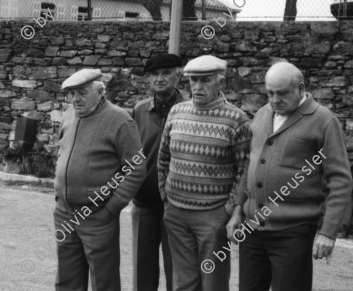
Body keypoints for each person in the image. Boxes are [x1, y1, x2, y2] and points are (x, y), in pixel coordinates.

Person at [232, 61, 353, 291]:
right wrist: (238, 208)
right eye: (270, 93)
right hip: (252, 229)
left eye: (282, 93)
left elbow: (341, 180)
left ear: (301, 87)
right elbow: (250, 163)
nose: (274, 100)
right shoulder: (261, 114)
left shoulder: (324, 120)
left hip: (293, 232)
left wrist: (328, 232)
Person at [158, 55, 251, 291]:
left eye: (205, 80)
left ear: (220, 82)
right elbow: (163, 158)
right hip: (176, 213)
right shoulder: (176, 112)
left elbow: (243, 171)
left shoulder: (237, 119)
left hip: (213, 215)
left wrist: (229, 210)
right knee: (183, 282)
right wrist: (166, 198)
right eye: (193, 80)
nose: (198, 87)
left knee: (213, 282)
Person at [54, 68, 146, 291]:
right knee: (66, 280)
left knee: (104, 282)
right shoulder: (68, 114)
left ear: (100, 91)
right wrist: (59, 195)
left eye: (82, 93)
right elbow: (61, 150)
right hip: (65, 213)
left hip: (97, 215)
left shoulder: (120, 120)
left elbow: (136, 168)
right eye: (72, 93)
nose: (75, 99)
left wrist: (111, 208)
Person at [131, 53, 184, 291]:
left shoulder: (189, 109)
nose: (159, 79)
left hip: (178, 205)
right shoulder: (139, 111)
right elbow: (129, 153)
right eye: (154, 74)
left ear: (178, 75)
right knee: (143, 268)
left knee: (177, 268)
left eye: (165, 73)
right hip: (144, 202)